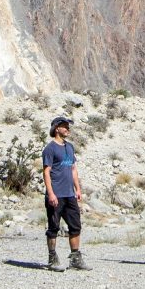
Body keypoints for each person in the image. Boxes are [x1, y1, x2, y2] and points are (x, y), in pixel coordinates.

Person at [42, 116, 90, 271]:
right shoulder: (50, 149)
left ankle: (75, 258)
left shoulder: (69, 147)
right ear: (57, 128)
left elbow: (73, 169)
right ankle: (52, 259)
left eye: (68, 126)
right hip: (56, 194)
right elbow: (46, 172)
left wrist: (78, 189)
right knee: (53, 227)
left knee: (75, 226)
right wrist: (51, 194)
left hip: (69, 195)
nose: (68, 129)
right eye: (65, 126)